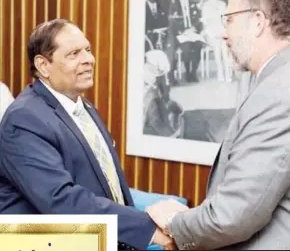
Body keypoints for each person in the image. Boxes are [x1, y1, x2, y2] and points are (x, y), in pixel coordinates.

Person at [146, 0, 290, 250]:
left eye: (230, 20)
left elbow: (232, 217)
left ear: (258, 22)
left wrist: (174, 222)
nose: (224, 34)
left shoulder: (281, 92)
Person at [0, 19, 175, 250]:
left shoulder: (84, 108)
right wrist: (147, 229)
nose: (88, 59)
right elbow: (61, 201)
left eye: (88, 50)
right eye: (74, 53)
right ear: (43, 65)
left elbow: (109, 187)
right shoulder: (24, 119)